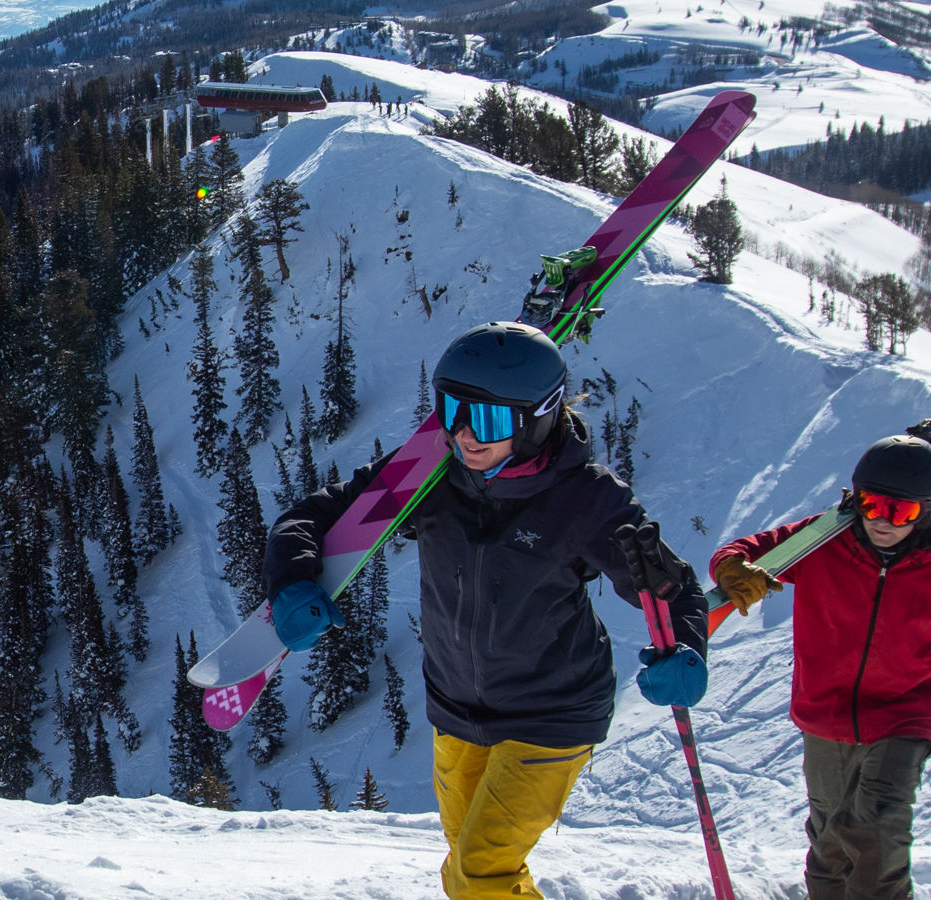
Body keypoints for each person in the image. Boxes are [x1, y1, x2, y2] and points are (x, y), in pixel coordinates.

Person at [262, 321, 710, 899]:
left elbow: (669, 588)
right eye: (451, 410)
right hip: (456, 707)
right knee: (464, 869)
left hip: (553, 711)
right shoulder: (428, 473)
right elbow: (313, 517)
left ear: (538, 419)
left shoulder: (585, 499)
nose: (467, 435)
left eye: (491, 420)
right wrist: (292, 579)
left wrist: (687, 646)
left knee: (481, 872)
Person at [710, 434, 931, 900]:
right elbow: (743, 549)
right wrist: (733, 568)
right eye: (872, 504)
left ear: (928, 509)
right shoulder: (825, 541)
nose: (882, 520)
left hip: (904, 718)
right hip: (824, 715)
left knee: (877, 827)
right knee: (829, 838)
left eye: (901, 512)